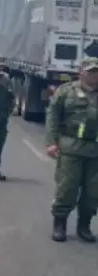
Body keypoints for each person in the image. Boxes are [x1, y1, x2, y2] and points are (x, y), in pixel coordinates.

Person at [45, 56, 98, 243]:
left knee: (93, 192)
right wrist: (51, 142)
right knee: (67, 188)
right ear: (81, 72)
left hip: (95, 151)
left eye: (97, 71)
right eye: (91, 71)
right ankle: (59, 224)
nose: (94, 75)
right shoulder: (66, 92)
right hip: (71, 148)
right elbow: (52, 116)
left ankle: (84, 226)